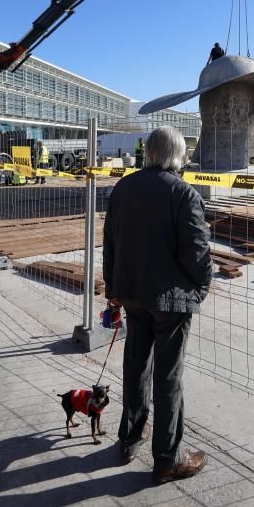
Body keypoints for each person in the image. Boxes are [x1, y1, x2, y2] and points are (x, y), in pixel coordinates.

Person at [103, 126, 213, 483]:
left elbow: (111, 243)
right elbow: (197, 253)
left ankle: (130, 437)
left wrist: (113, 289)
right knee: (168, 376)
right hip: (171, 300)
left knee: (136, 365)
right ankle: (167, 458)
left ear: (148, 153)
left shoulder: (123, 188)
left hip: (133, 294)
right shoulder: (183, 193)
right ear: (177, 155)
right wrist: (202, 286)